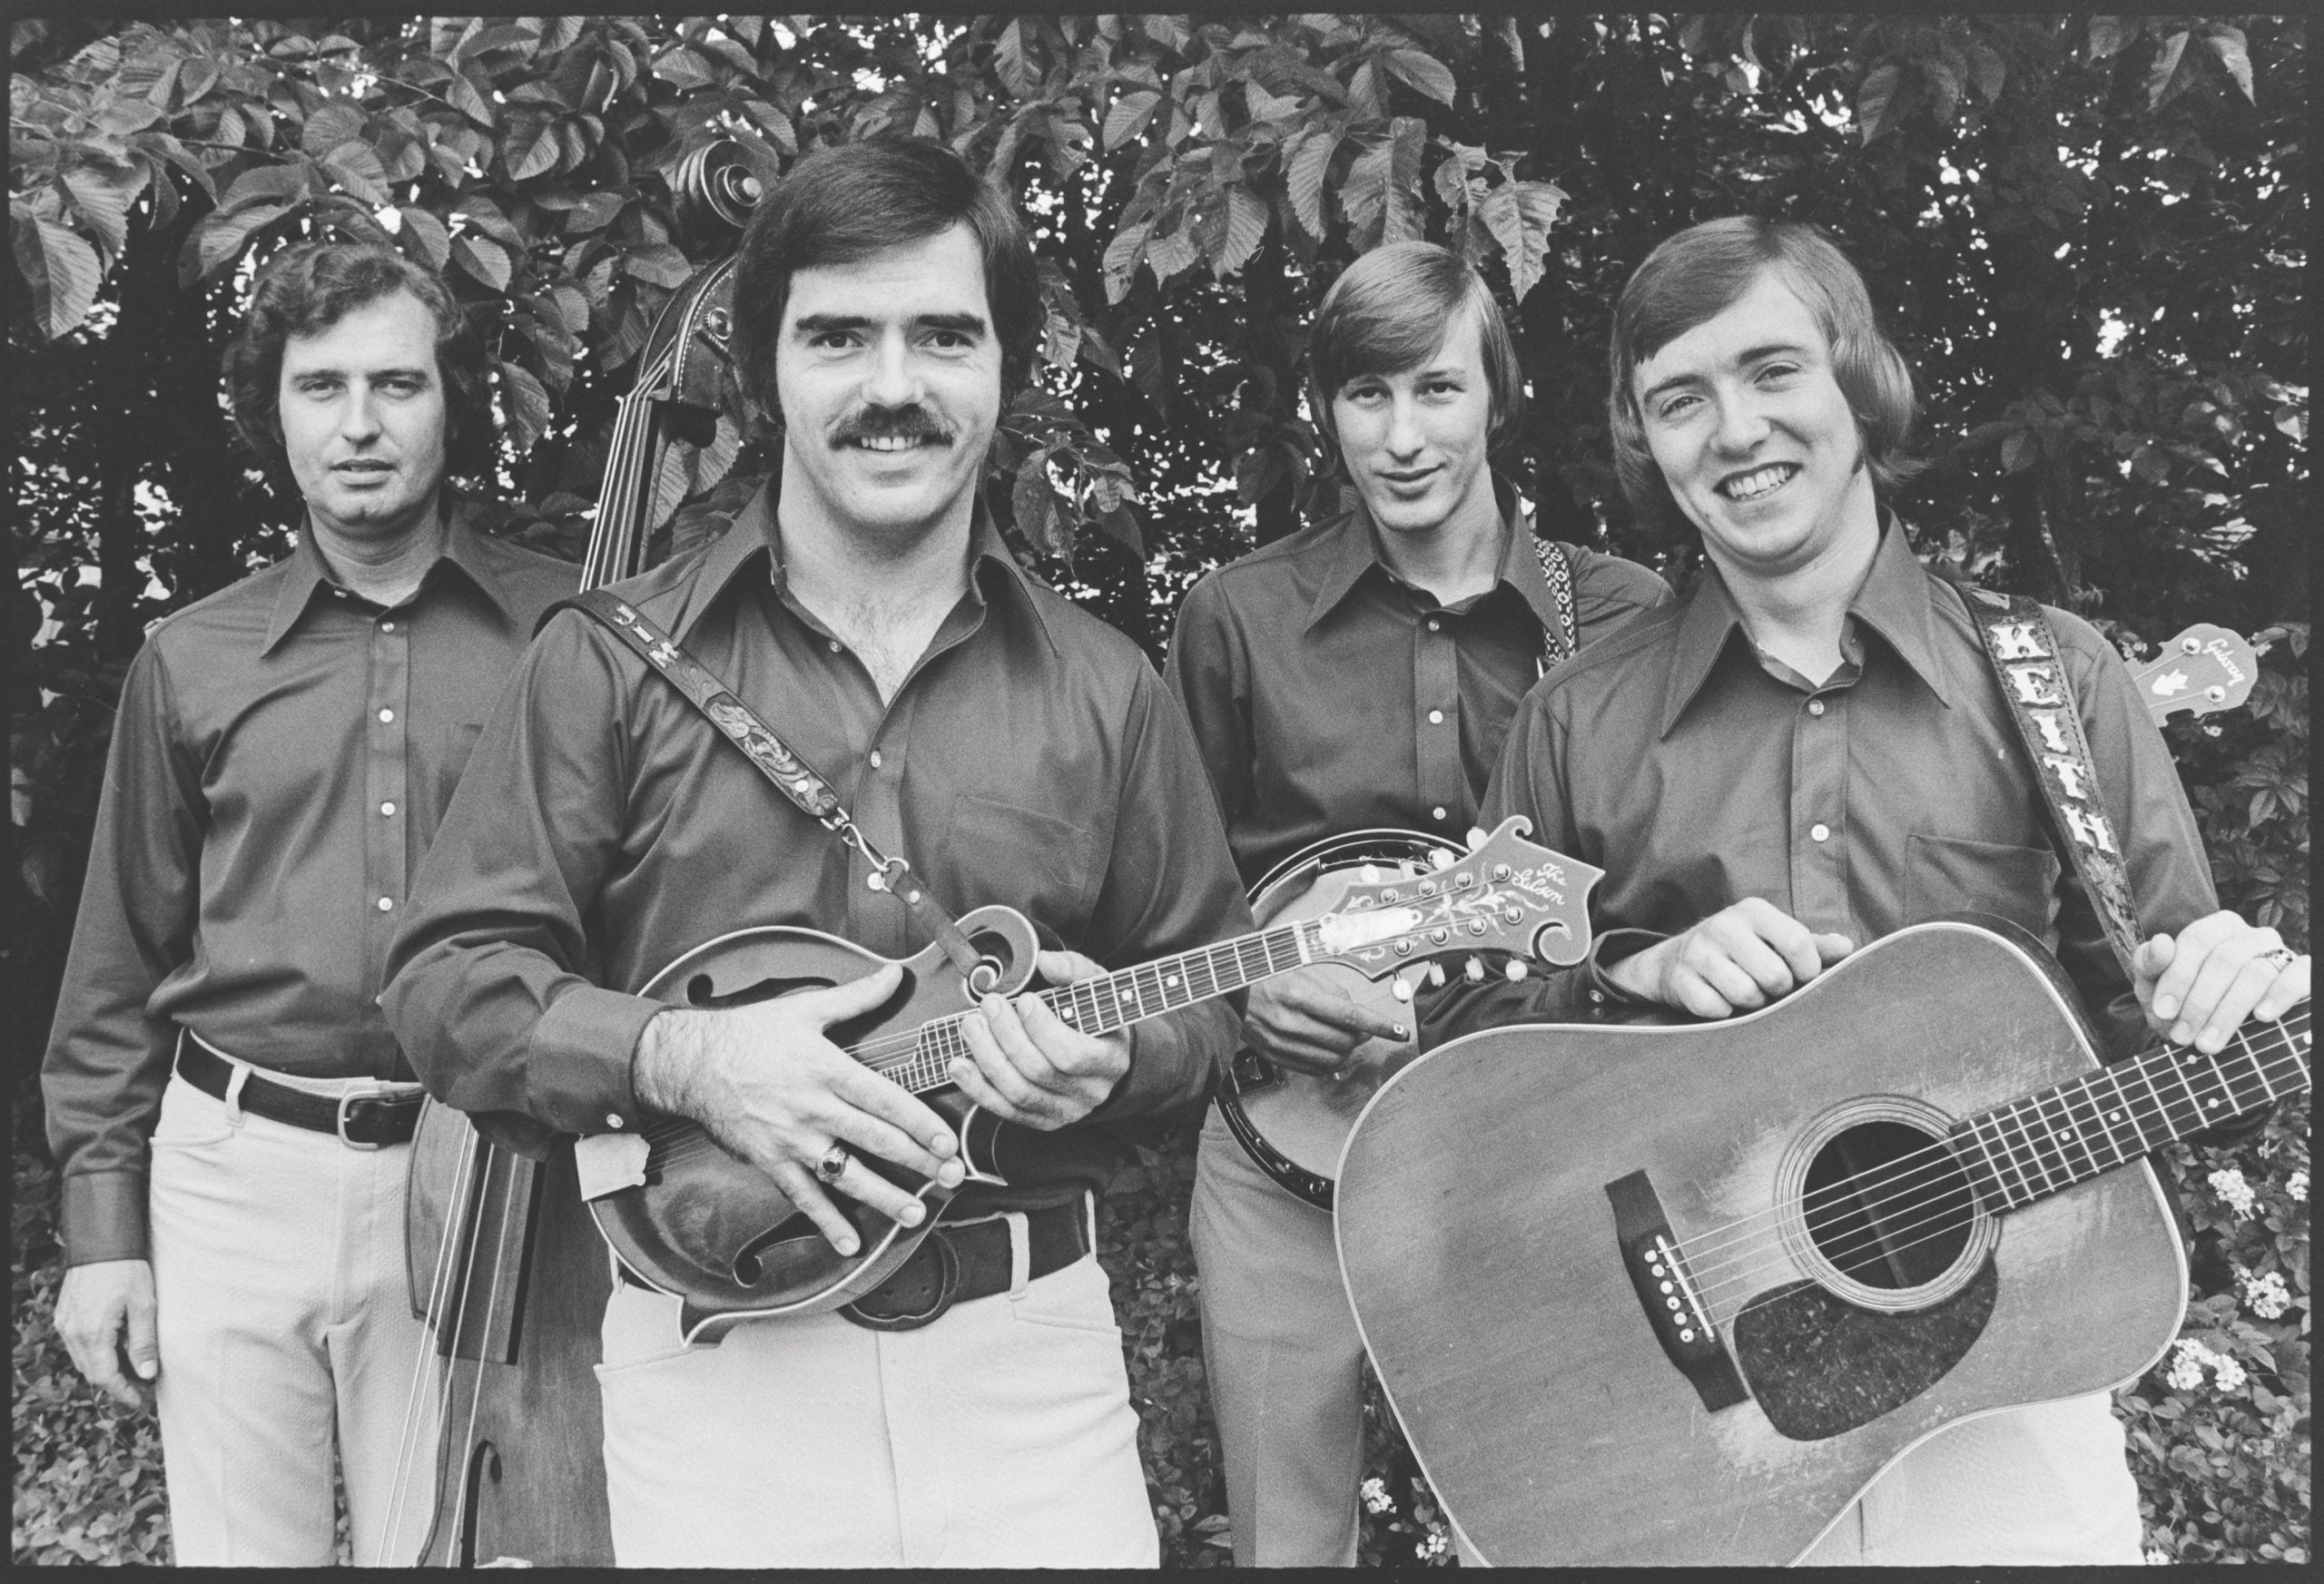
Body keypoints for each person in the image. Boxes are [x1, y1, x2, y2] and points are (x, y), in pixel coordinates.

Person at [379, 137, 1251, 1569]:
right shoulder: (606, 663)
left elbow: (1201, 1005)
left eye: (944, 337)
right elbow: (445, 981)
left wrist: (1118, 1057)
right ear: (766, 366)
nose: (893, 387)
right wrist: (684, 1059)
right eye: (838, 335)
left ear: (1004, 367)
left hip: (1029, 1367)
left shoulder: (1110, 688)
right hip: (714, 1369)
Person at [1423, 215, 2309, 1564]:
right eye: (1681, 400)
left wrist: (2230, 997)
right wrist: (1626, 966)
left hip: (2010, 1399)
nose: (1734, 431)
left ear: (1858, 378)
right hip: (1685, 1438)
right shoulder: (1574, 723)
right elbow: (1450, 1070)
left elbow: (2163, 1021)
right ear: (1646, 444)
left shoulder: (2061, 679)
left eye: (1773, 369)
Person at [41, 240, 578, 1565]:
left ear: (454, 398)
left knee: (450, 1547)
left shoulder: (570, 633)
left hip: (475, 1170)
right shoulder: (194, 656)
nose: (357, 424)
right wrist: (105, 1233)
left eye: (395, 383)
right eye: (319, 385)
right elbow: (118, 959)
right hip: (232, 1175)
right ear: (270, 411)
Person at [1163, 241, 1669, 1566]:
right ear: (1322, 410)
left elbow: (1674, 891)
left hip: (1543, 1137)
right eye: (1364, 395)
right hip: (1288, 1148)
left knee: (1585, 1523)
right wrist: (1249, 983)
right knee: (1287, 1540)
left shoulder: (1626, 616)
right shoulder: (1235, 615)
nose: (1401, 437)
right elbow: (1172, 895)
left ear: (1499, 394)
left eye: (1437, 391)